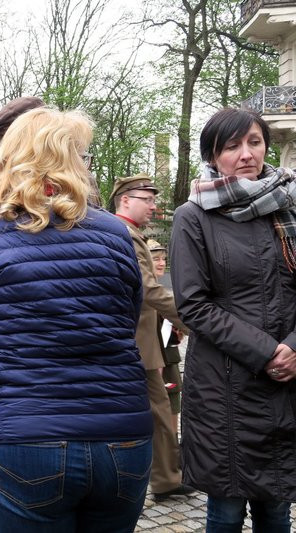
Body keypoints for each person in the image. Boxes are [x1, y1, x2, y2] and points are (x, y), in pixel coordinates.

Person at [0, 107, 153, 532]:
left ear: (8, 157)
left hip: (24, 437)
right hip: (121, 434)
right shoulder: (114, 233)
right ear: (73, 161)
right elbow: (126, 321)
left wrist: (1, 402)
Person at [170, 107, 296, 532]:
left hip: (287, 386)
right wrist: (267, 353)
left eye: (255, 142)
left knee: (278, 509)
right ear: (212, 154)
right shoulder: (194, 217)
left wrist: (292, 350)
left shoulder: (288, 207)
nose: (246, 154)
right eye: (232, 146)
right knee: (225, 510)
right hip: (225, 390)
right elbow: (193, 304)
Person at [110, 173, 193, 502]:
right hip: (136, 344)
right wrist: (190, 317)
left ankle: (164, 477)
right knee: (157, 412)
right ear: (126, 200)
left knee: (156, 411)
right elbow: (148, 290)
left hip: (139, 342)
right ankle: (163, 479)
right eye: (148, 199)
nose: (154, 206)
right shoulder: (126, 235)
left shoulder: (130, 233)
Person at [147, 239, 184, 436]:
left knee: (171, 419)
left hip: (169, 363)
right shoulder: (143, 294)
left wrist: (178, 333)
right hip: (150, 364)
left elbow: (175, 333)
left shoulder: (166, 295)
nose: (162, 263)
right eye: (156, 259)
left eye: (163, 259)